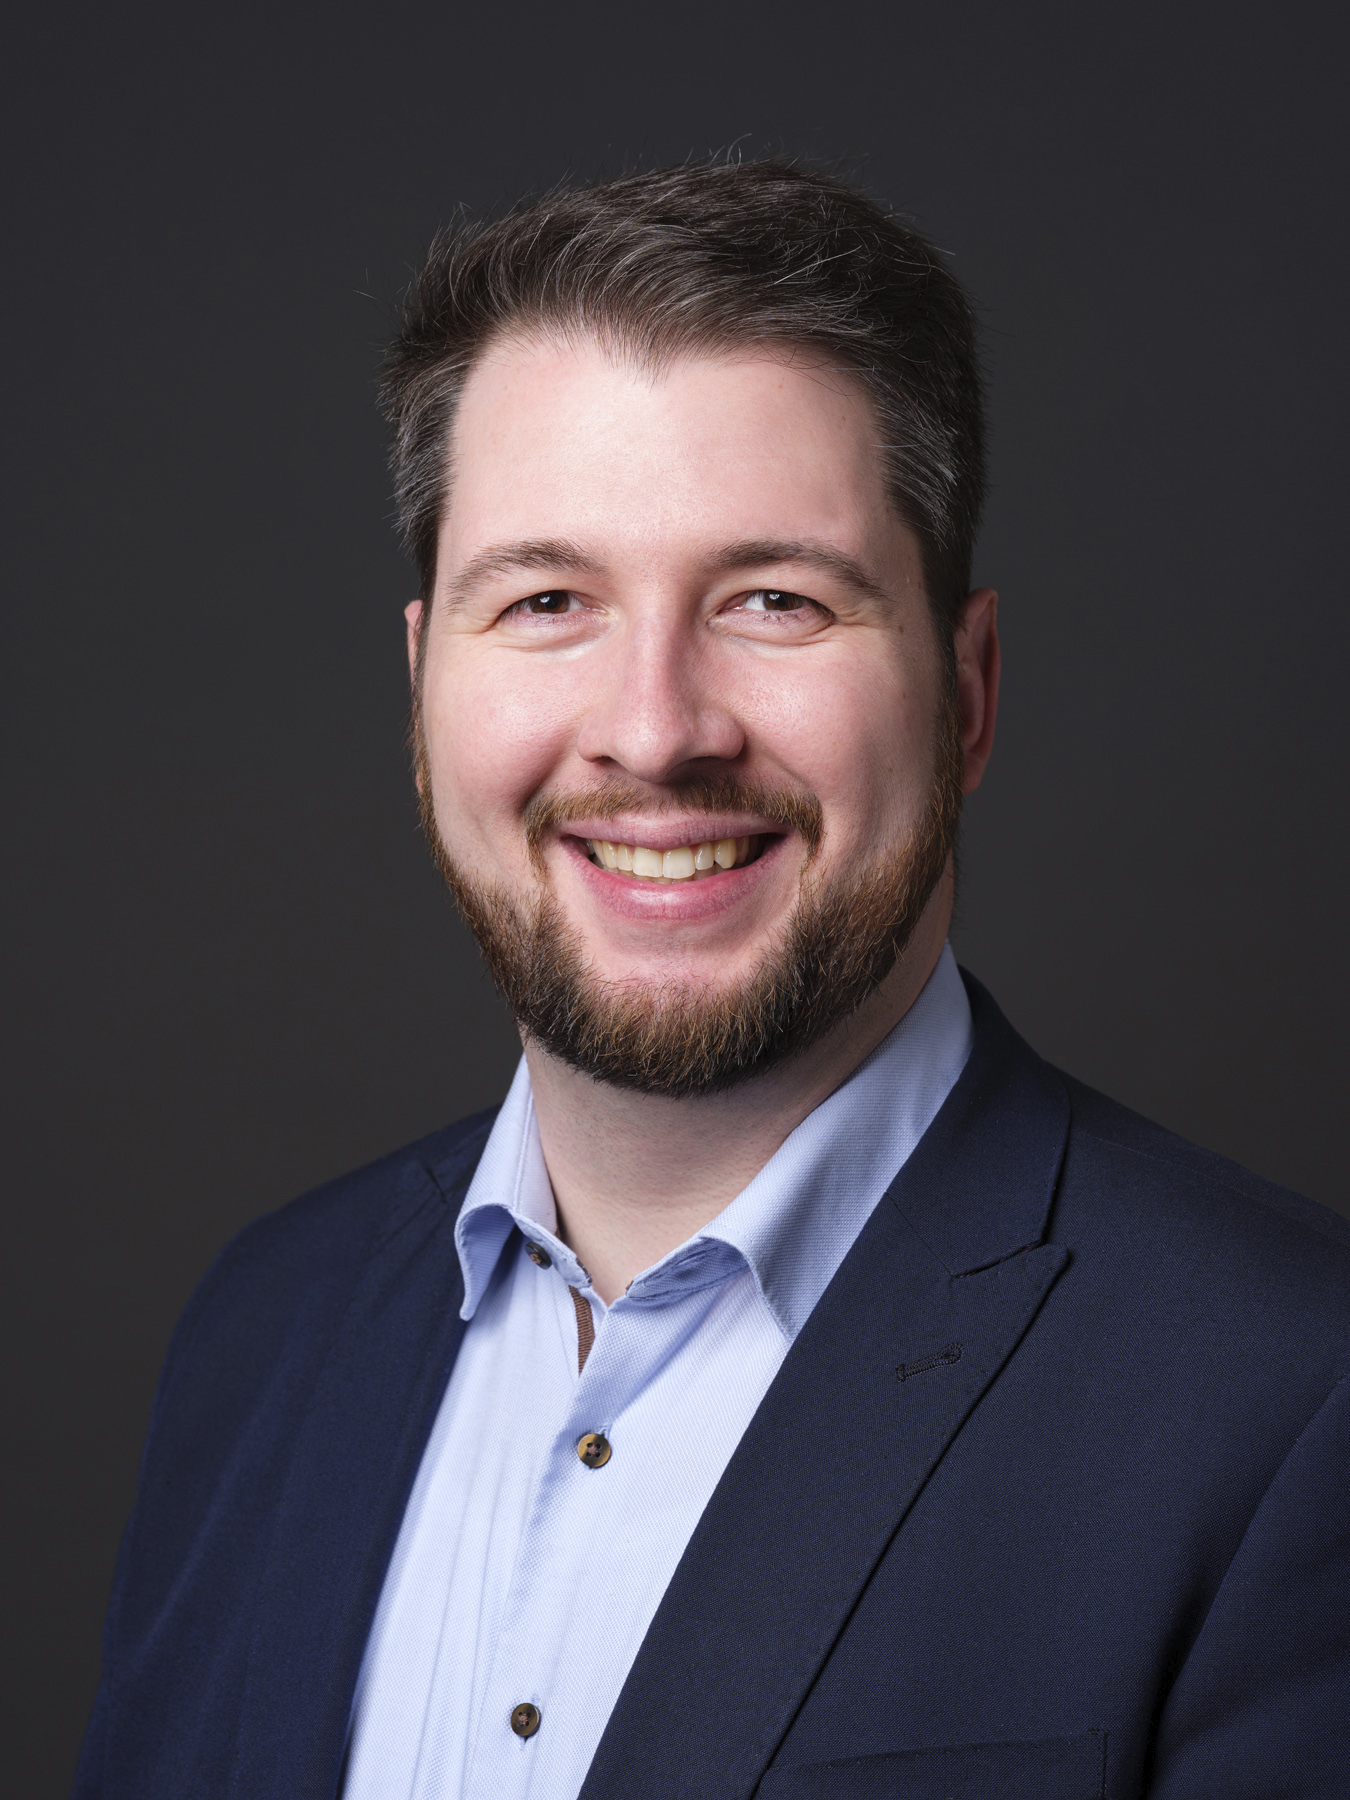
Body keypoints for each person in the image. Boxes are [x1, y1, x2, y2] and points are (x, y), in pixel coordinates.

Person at [74, 161, 1348, 1800]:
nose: (655, 729)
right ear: (422, 688)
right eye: (546, 601)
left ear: (963, 694)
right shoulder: (262, 1331)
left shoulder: (1290, 1395)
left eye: (774, 601)